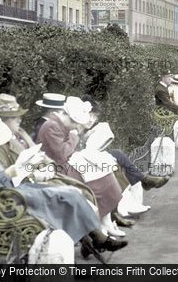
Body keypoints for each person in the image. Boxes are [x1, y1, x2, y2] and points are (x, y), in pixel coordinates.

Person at [0, 112, 127, 258]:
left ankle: (93, 239)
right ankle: (92, 241)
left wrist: (18, 170)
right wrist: (12, 172)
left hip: (9, 194)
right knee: (64, 197)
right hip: (3, 202)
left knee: (70, 193)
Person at [36, 97, 124, 237]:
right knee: (99, 181)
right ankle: (94, 226)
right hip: (56, 168)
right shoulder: (51, 126)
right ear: (65, 115)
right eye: (73, 122)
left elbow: (66, 151)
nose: (74, 126)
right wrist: (74, 136)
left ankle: (102, 222)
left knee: (105, 173)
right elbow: (62, 154)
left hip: (65, 164)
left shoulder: (58, 124)